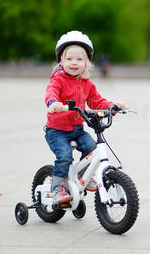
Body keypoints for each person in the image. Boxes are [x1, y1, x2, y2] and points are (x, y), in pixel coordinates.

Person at [44, 30, 126, 204]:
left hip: (77, 129)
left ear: (87, 62)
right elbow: (50, 92)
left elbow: (97, 101)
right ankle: (58, 189)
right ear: (61, 61)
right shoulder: (58, 80)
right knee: (65, 156)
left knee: (91, 148)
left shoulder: (87, 84)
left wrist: (112, 107)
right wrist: (53, 103)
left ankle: (84, 176)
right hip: (57, 131)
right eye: (69, 59)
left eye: (79, 59)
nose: (74, 63)